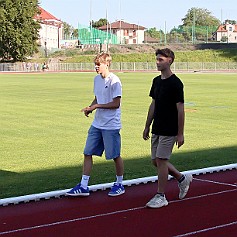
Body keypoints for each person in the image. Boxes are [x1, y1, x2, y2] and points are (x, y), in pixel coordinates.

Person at [66, 52, 125, 197]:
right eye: (95, 64)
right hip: (97, 124)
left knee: (115, 155)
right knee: (87, 152)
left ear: (107, 64)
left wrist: (96, 106)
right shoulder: (96, 80)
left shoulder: (114, 81)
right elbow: (97, 97)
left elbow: (116, 104)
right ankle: (84, 185)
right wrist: (90, 108)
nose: (96, 67)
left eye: (99, 64)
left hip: (111, 125)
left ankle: (119, 184)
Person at [143, 48, 192, 208]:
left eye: (160, 60)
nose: (157, 62)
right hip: (157, 127)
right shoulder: (156, 81)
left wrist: (180, 133)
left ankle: (161, 195)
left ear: (169, 60)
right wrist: (147, 125)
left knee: (162, 161)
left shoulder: (176, 83)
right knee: (155, 161)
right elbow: (153, 104)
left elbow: (180, 108)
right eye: (156, 59)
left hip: (169, 129)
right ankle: (182, 179)